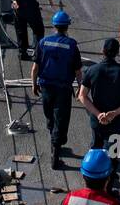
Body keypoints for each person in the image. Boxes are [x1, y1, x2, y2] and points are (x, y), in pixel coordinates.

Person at [34, 10, 83, 169]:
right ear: (67, 26)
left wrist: (33, 84)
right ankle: (55, 156)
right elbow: (77, 72)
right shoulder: (72, 44)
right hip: (63, 88)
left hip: (46, 86)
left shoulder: (43, 42)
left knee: (49, 114)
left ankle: (54, 138)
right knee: (61, 119)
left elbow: (35, 67)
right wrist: (80, 87)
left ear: (54, 25)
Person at [79, 38, 120, 156]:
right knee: (113, 154)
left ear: (103, 51)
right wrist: (115, 113)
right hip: (116, 122)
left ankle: (96, 172)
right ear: (117, 53)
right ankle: (112, 171)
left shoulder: (92, 71)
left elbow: (82, 96)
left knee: (95, 151)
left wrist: (98, 114)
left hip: (97, 121)